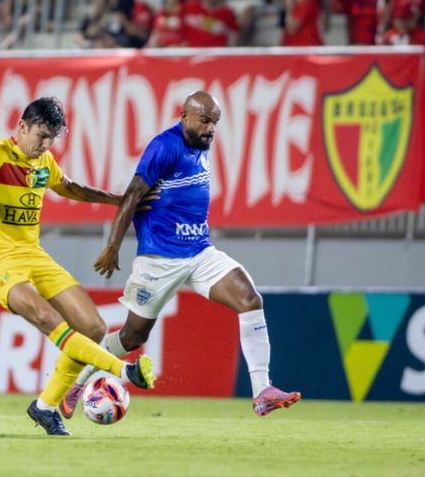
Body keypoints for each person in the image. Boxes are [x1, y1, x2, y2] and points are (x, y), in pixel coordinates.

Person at [58, 91, 301, 420]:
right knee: (132, 337)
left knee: (249, 298)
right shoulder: (164, 146)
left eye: (215, 123)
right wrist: (113, 245)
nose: (210, 129)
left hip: (200, 252)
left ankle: (262, 391)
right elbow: (132, 195)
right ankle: (74, 384)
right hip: (159, 258)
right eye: (204, 120)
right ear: (184, 115)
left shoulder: (200, 147)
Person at [0, 97, 156, 436]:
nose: (45, 145)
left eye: (52, 138)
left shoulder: (44, 161)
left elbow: (70, 188)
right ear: (21, 128)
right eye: (41, 135)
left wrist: (118, 200)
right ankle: (124, 372)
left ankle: (45, 407)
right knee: (47, 318)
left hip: (34, 256)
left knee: (93, 328)